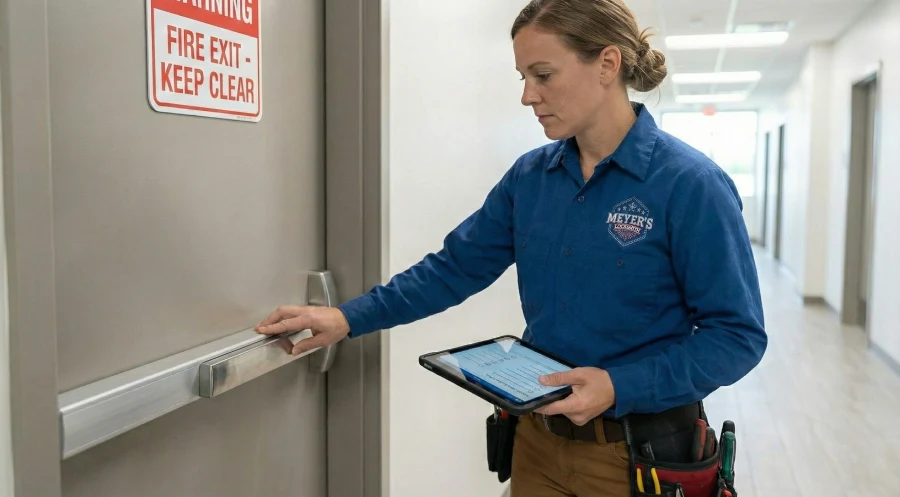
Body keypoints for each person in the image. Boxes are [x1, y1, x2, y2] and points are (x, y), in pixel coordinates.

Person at [256, 0, 767, 495]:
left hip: (638, 457)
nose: (528, 96)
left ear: (607, 63)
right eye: (522, 77)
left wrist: (618, 385)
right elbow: (453, 268)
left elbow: (737, 336)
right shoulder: (531, 178)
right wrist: (348, 318)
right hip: (536, 443)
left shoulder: (689, 184)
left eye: (543, 75)